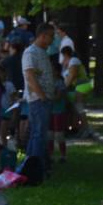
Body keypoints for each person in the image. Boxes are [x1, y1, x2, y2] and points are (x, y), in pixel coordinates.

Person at [22, 23, 56, 168]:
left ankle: (30, 165)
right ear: (42, 36)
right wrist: (41, 95)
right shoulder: (31, 52)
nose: (53, 39)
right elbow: (30, 76)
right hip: (38, 100)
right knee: (39, 134)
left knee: (38, 133)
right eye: (51, 36)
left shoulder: (42, 52)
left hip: (45, 99)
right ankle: (36, 166)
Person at [49, 61, 68, 163]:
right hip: (50, 111)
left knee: (59, 134)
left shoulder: (60, 83)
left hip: (58, 111)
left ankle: (63, 155)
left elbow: (58, 97)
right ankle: (50, 155)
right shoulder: (49, 82)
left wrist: (47, 96)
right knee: (50, 134)